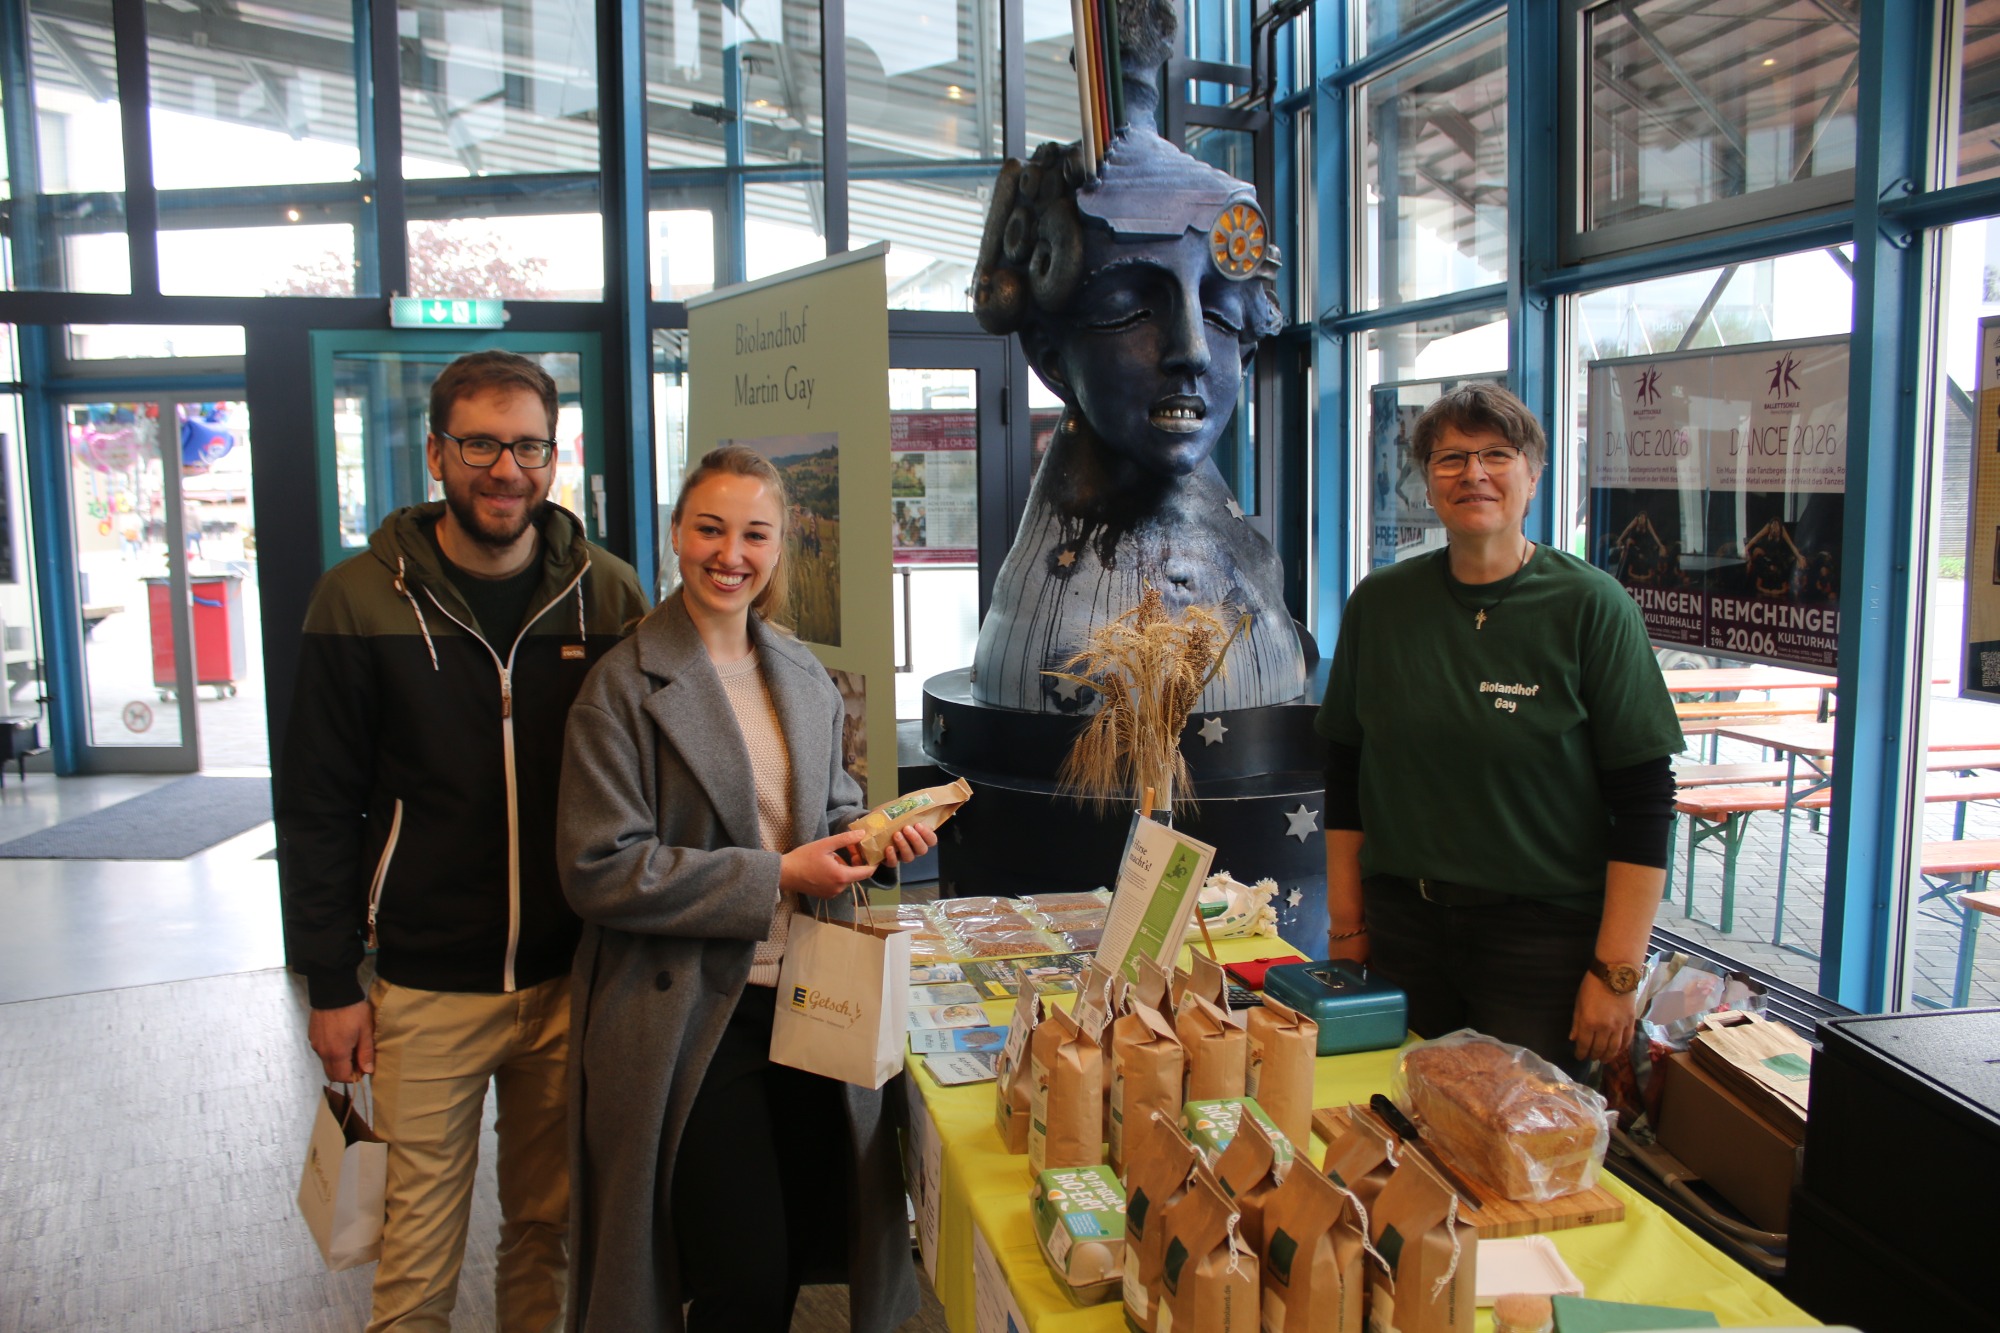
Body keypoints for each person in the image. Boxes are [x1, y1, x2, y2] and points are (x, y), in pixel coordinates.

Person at [277, 349, 649, 1332]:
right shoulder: (357, 600)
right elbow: (318, 805)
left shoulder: (608, 597)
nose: (504, 468)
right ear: (437, 453)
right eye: (479, 443)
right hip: (424, 987)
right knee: (415, 1246)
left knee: (545, 1228)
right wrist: (328, 980)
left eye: (527, 445)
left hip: (574, 981)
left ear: (553, 457)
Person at [556, 445, 929, 1332]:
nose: (732, 554)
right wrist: (778, 875)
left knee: (801, 1245)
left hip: (809, 1000)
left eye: (754, 533)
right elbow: (599, 867)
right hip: (689, 1011)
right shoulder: (619, 689)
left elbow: (831, 809)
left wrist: (878, 837)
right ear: (677, 536)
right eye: (711, 529)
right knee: (741, 1276)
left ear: (780, 544)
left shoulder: (801, 671)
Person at [1316, 383, 1683, 1078]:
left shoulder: (1591, 607)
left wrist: (1615, 974)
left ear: (1534, 476)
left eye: (1496, 455)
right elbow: (1345, 774)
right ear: (1427, 481)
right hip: (1403, 931)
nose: (1474, 474)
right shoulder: (1382, 605)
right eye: (1450, 458)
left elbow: (1645, 800)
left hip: (1539, 946)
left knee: (1523, 1148)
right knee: (1396, 1126)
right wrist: (1347, 927)